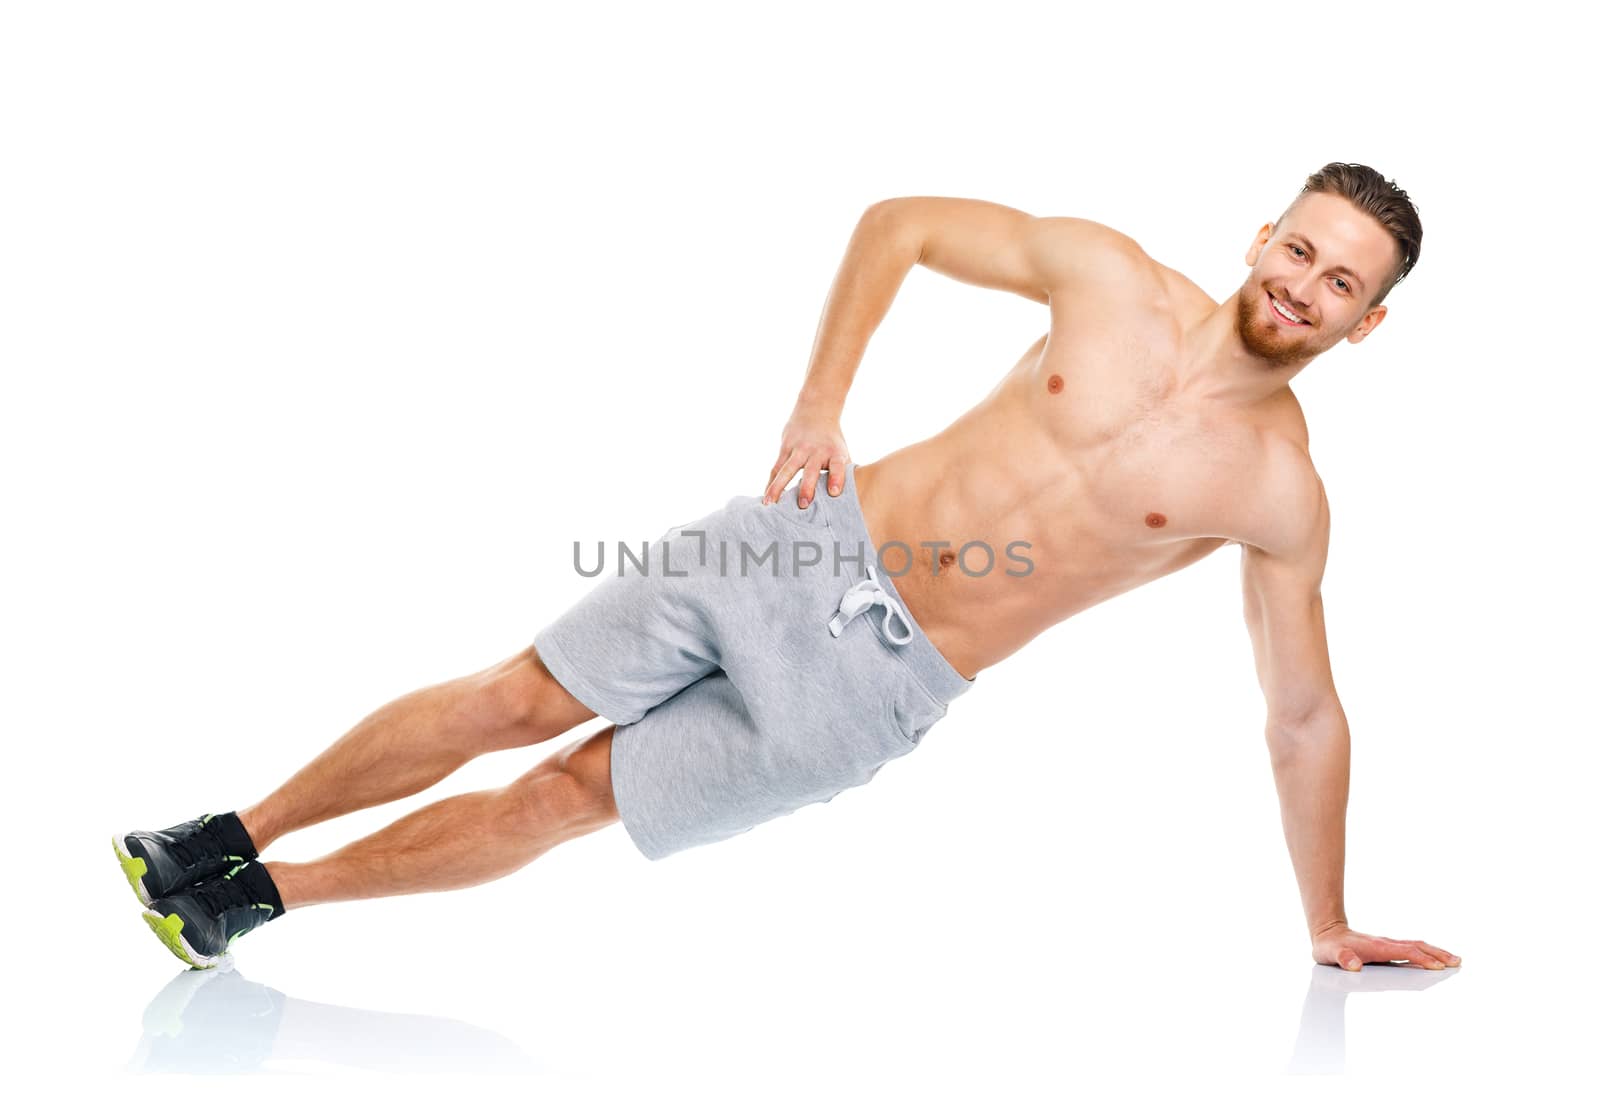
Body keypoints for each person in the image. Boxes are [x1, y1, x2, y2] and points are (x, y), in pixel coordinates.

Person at [115, 161, 1461, 976]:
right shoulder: (1106, 274)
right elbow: (902, 227)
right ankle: (231, 834)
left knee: (562, 800)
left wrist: (1327, 920)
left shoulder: (1279, 494)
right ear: (1261, 235)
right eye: (1299, 248)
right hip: (805, 537)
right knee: (514, 698)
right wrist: (820, 406)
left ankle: (249, 905)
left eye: (1341, 284)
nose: (1303, 285)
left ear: (1370, 322)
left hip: (875, 688)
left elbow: (1301, 715)